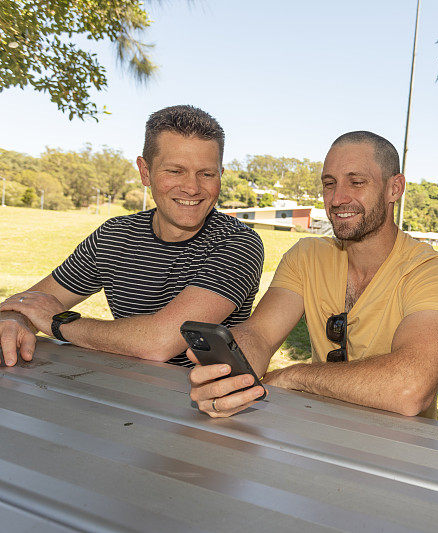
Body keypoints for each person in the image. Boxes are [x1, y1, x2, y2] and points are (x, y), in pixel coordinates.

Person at [188, 131, 438, 418]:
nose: (337, 198)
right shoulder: (307, 256)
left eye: (357, 182)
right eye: (329, 184)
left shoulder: (430, 270)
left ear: (395, 188)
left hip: (397, 450)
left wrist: (295, 376)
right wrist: (230, 371)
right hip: (320, 437)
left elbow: (410, 389)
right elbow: (259, 334)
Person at [0, 105, 264, 367]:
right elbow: (30, 301)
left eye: (206, 174)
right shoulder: (114, 235)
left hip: (206, 401)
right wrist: (15, 319)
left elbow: (160, 342)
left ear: (220, 175)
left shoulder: (239, 244)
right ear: (145, 172)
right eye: (175, 171)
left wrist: (59, 323)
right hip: (123, 390)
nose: (192, 188)